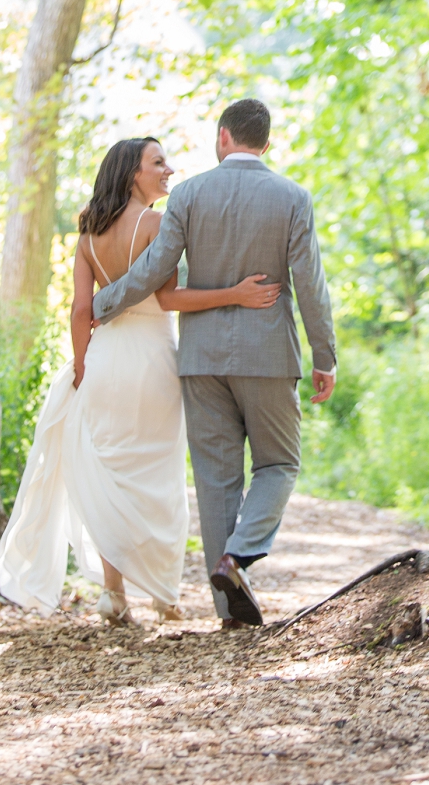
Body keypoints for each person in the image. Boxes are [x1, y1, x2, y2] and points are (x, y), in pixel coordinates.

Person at [0, 136, 280, 624]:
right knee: (159, 478)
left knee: (114, 475)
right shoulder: (155, 223)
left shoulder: (89, 231)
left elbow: (81, 308)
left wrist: (82, 365)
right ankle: (165, 597)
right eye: (158, 162)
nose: (169, 169)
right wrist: (233, 293)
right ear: (133, 173)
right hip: (151, 360)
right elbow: (168, 300)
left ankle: (114, 593)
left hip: (104, 360)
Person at [88, 99, 336, 627]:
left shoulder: (190, 193)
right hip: (268, 357)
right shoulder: (292, 197)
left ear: (223, 137)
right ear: (265, 143)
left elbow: (156, 270)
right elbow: (309, 283)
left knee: (217, 482)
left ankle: (231, 612)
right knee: (278, 464)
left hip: (199, 360)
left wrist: (103, 304)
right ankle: (237, 557)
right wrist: (325, 355)